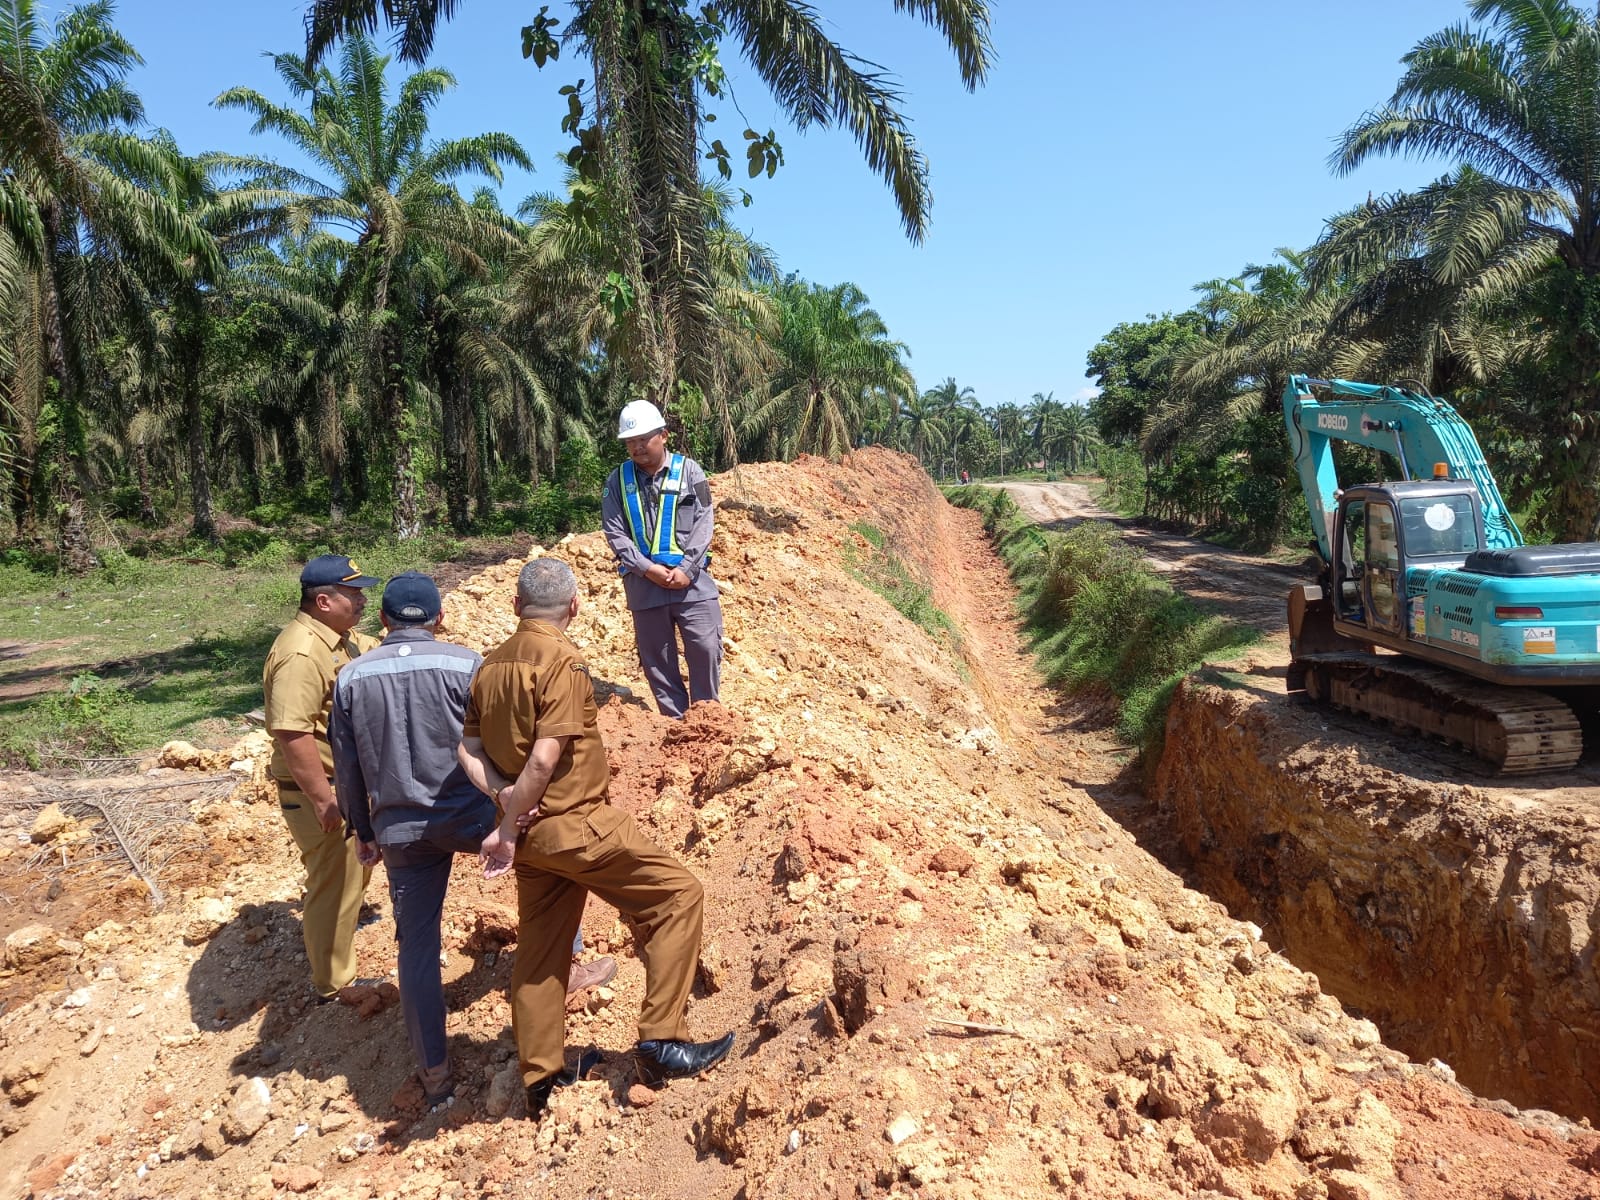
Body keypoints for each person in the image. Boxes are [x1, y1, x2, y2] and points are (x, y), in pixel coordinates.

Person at [458, 558, 733, 1120]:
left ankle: (542, 1079)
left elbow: (468, 751)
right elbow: (546, 756)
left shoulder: (488, 667)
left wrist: (504, 801)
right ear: (575, 607)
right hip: (576, 825)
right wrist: (508, 826)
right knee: (678, 895)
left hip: (535, 840)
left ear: (515, 606)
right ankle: (662, 1042)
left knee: (541, 950)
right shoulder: (562, 662)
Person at [328, 572, 616, 1109]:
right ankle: (568, 964)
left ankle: (434, 1075)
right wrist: (513, 805)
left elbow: (347, 767)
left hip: (401, 828)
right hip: (472, 815)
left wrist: (362, 830)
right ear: (439, 618)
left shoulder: (350, 678)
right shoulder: (466, 663)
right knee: (546, 881)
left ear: (384, 621)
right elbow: (502, 740)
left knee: (416, 946)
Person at [262, 553, 380, 1002]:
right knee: (334, 880)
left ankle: (344, 930)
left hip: (341, 784)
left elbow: (372, 650)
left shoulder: (336, 638)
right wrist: (324, 798)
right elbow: (293, 732)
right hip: (322, 788)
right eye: (354, 594)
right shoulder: (300, 653)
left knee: (350, 873)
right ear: (324, 600)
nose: (362, 600)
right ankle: (335, 983)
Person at [601, 399, 724, 719]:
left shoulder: (690, 471)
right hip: (645, 585)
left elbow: (704, 520)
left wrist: (687, 568)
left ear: (664, 435)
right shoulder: (617, 481)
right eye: (630, 442)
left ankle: (705, 719)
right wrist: (647, 569)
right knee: (657, 660)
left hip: (691, 584)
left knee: (705, 648)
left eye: (643, 439)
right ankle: (675, 723)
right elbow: (615, 532)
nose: (637, 447)